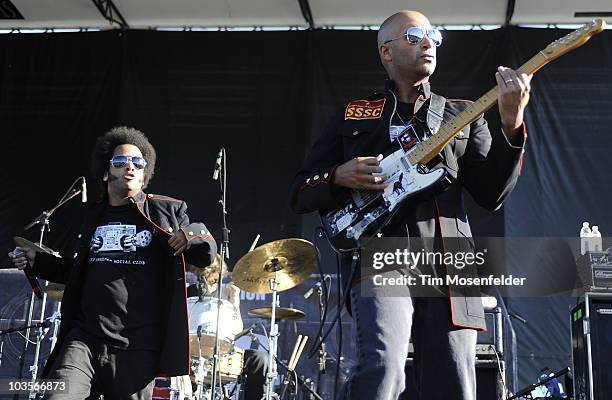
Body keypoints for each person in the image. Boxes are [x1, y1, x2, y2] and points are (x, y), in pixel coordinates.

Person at [289, 10, 531, 400]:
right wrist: (337, 175)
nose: (428, 42)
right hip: (382, 256)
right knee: (383, 372)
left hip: (450, 264)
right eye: (414, 35)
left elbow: (492, 194)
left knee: (453, 382)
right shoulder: (355, 112)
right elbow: (301, 190)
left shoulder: (461, 113)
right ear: (386, 51)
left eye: (433, 35)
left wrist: (511, 120)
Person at [9, 127, 216, 399]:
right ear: (106, 173)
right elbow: (77, 272)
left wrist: (190, 236)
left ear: (144, 174)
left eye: (137, 163)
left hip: (138, 346)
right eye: (120, 162)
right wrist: (38, 262)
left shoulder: (167, 211)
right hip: (84, 338)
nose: (130, 166)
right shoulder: (91, 216)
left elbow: (206, 255)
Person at [184, 265, 268, 400]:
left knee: (260, 359)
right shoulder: (187, 293)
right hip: (191, 353)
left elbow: (237, 329)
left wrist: (235, 300)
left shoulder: (227, 293)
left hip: (223, 352)